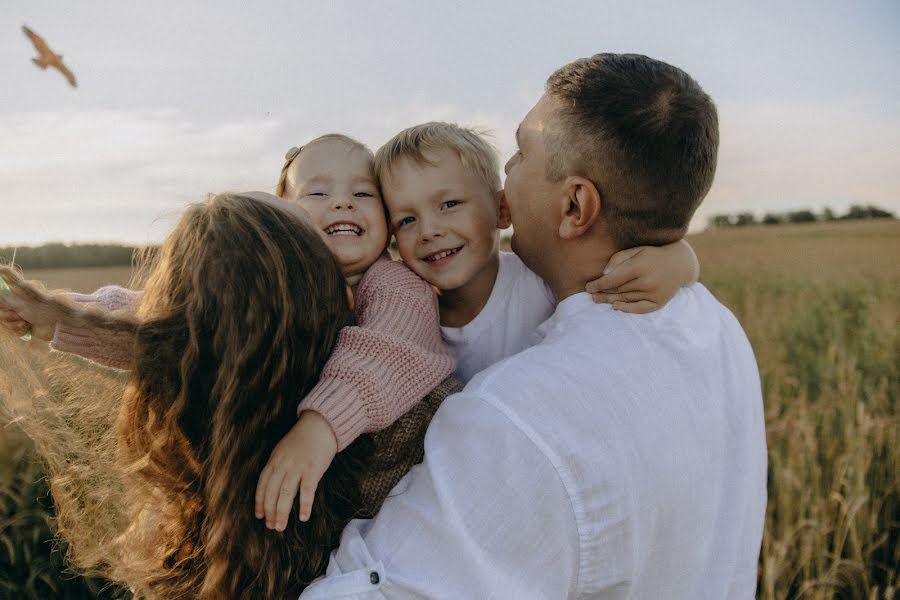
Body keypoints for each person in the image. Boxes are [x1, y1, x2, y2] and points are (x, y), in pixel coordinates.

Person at [300, 53, 767, 598]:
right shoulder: (714, 325)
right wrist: (680, 258)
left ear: (575, 205)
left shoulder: (518, 420)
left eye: (521, 152)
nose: (506, 173)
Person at [0, 192, 457, 598]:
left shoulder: (202, 423)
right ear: (316, 289)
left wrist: (62, 317)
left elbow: (187, 333)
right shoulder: (423, 424)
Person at [375, 121, 701, 382]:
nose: (429, 230)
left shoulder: (538, 279)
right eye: (407, 219)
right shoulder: (410, 314)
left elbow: (626, 265)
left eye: (449, 204)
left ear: (502, 210)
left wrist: (679, 260)